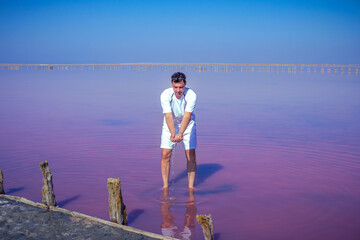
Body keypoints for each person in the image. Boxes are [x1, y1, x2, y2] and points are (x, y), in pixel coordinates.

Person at [160, 72, 197, 189]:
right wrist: (173, 133)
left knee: (190, 154)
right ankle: (165, 186)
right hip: (170, 122)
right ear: (172, 84)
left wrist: (180, 133)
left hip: (188, 123)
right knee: (165, 154)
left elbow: (187, 115)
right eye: (175, 87)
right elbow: (168, 115)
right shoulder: (165, 95)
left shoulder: (191, 95)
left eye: (181, 87)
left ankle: (191, 187)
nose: (178, 91)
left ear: (185, 84)